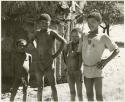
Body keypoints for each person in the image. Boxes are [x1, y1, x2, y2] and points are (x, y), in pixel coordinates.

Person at [77, 11, 119, 101]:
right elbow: (79, 53)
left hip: (97, 70)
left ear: (99, 22)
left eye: (93, 22)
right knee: (89, 95)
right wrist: (78, 69)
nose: (90, 24)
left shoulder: (103, 37)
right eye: (88, 22)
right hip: (86, 69)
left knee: (99, 96)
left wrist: (105, 61)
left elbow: (116, 50)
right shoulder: (84, 36)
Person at [29, 13, 67, 101]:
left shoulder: (52, 33)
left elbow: (64, 41)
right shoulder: (37, 33)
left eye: (46, 23)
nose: (44, 25)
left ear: (49, 23)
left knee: (53, 85)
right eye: (42, 23)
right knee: (40, 86)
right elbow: (30, 41)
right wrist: (34, 50)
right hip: (39, 63)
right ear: (39, 23)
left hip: (49, 63)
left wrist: (56, 55)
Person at [63, 28, 83, 101]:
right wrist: (67, 65)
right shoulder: (68, 45)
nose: (74, 38)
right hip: (70, 72)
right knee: (72, 92)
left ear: (80, 37)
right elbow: (64, 55)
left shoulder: (82, 46)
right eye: (73, 36)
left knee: (79, 93)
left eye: (77, 36)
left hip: (79, 72)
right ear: (70, 36)